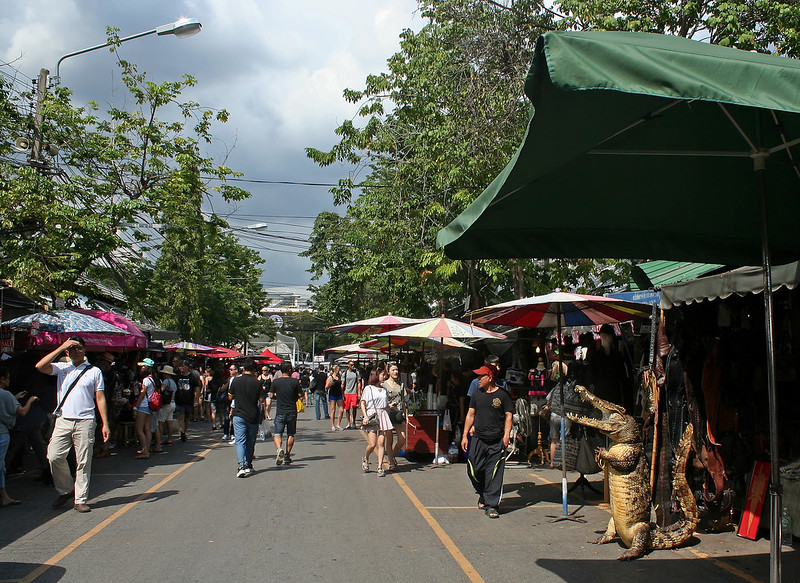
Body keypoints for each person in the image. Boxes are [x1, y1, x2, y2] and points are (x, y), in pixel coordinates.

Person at [36, 336, 110, 513]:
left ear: (84, 350)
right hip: (63, 419)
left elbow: (100, 398)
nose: (76, 351)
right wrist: (61, 347)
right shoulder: (62, 368)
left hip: (85, 420)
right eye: (72, 348)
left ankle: (80, 499)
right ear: (68, 352)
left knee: (83, 461)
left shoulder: (94, 371)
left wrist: (105, 423)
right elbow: (40, 366)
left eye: (79, 348)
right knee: (54, 456)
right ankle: (67, 489)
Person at [461, 363, 513, 519]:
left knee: (494, 472)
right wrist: (465, 435)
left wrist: (506, 435)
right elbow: (470, 415)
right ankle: (483, 493)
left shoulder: (503, 395)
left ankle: (491, 505)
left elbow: (509, 416)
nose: (478, 379)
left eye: (480, 376)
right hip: (478, 439)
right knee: (473, 469)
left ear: (490, 377)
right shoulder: (477, 394)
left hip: (496, 440)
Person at [0, 365, 38, 506]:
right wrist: (31, 400)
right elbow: (22, 411)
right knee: (0, 466)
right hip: (2, 433)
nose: (9, 380)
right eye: (7, 378)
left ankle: (4, 496)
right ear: (2, 379)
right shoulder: (5, 394)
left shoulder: (7, 396)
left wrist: (14, 398)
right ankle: (4, 497)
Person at [228, 360, 266, 477]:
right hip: (252, 415)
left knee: (240, 441)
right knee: (250, 441)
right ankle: (249, 465)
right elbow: (261, 400)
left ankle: (241, 466)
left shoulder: (236, 381)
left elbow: (230, 396)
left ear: (243, 369)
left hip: (238, 414)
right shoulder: (257, 383)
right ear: (255, 370)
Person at [360, 369, 393, 477]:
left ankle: (380, 467)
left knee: (381, 442)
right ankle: (365, 457)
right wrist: (365, 416)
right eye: (383, 375)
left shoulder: (384, 390)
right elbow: (363, 402)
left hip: (383, 415)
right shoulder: (368, 388)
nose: (384, 377)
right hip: (372, 415)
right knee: (372, 444)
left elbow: (385, 403)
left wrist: (390, 405)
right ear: (376, 375)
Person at [270, 361, 303, 465]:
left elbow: (271, 395)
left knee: (277, 433)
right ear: (289, 370)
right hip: (291, 411)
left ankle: (279, 449)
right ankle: (287, 455)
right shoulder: (295, 382)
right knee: (291, 434)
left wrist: (277, 397)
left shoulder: (276, 382)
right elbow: (300, 395)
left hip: (280, 411)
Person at [133, 358, 159, 459]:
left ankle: (145, 451)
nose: (141, 369)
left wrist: (136, 407)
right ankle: (146, 449)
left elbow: (143, 393)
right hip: (150, 406)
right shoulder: (152, 379)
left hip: (143, 406)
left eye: (143, 367)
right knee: (147, 429)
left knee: (139, 429)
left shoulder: (146, 380)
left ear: (147, 368)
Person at [382, 362, 406, 470]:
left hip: (398, 414)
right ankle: (391, 462)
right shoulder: (383, 385)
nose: (395, 372)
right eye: (393, 370)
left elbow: (403, 401)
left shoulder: (401, 385)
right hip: (387, 413)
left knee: (402, 439)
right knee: (390, 439)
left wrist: (405, 413)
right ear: (388, 372)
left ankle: (392, 455)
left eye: (396, 370)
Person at [174, 360, 200, 442]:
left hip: (189, 400)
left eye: (183, 366)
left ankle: (184, 431)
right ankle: (181, 433)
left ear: (187, 367)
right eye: (180, 366)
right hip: (179, 400)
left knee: (187, 418)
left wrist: (196, 400)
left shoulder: (192, 377)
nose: (181, 368)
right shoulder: (177, 377)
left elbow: (197, 389)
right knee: (181, 416)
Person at [159, 365, 178, 446]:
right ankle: (169, 439)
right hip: (173, 403)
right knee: (169, 422)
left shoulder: (166, 381)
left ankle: (159, 439)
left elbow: (161, 390)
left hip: (166, 404)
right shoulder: (173, 382)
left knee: (160, 422)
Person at [341, 360, 361, 429]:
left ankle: (354, 422)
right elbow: (342, 384)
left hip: (354, 392)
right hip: (347, 393)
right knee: (347, 408)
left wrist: (359, 393)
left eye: (353, 365)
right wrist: (342, 393)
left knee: (354, 407)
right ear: (348, 365)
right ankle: (348, 422)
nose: (353, 366)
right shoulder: (345, 373)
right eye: (351, 365)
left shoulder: (356, 373)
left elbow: (359, 382)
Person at [326, 365, 344, 431]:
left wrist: (343, 394)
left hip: (339, 394)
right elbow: (326, 387)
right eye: (338, 369)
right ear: (335, 370)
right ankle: (333, 425)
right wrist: (330, 384)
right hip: (332, 394)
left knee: (341, 410)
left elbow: (341, 386)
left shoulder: (339, 377)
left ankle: (338, 424)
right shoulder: (330, 378)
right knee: (333, 410)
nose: (339, 371)